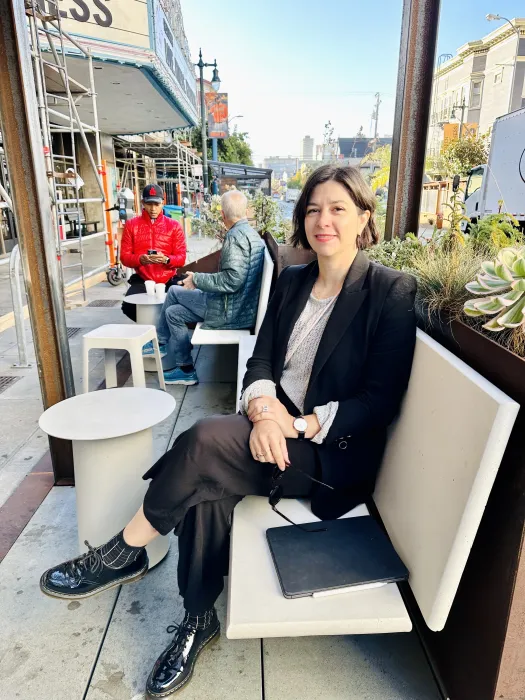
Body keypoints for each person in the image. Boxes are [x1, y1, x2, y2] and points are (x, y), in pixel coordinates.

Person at [40, 165, 417, 698]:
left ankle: (123, 551)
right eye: (312, 209)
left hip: (329, 455)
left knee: (203, 441)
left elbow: (378, 401)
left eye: (337, 208)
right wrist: (264, 411)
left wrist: (300, 424)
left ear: (363, 217)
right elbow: (261, 359)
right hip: (268, 427)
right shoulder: (293, 280)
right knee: (208, 486)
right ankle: (198, 620)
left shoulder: (389, 291)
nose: (322, 220)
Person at [142, 189, 265, 386]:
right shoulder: (251, 234)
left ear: (222, 215)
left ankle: (160, 343)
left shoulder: (235, 237)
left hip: (228, 312)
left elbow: (232, 280)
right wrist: (198, 280)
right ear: (246, 211)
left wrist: (197, 279)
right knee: (173, 312)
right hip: (237, 307)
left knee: (173, 291)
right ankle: (186, 369)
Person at [120, 184, 187, 322]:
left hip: (168, 278)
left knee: (184, 304)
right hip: (143, 279)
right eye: (149, 204)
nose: (153, 208)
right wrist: (140, 259)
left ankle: (159, 330)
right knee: (128, 306)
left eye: (157, 204)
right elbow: (124, 257)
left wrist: (166, 260)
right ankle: (153, 329)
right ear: (143, 203)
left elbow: (181, 258)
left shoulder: (174, 226)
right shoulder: (132, 225)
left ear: (163, 202)